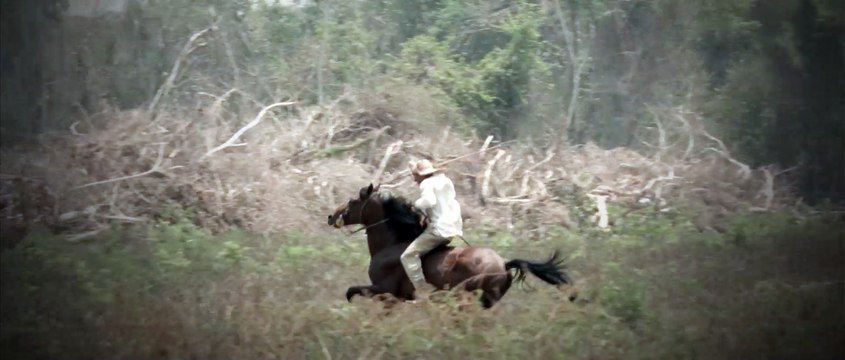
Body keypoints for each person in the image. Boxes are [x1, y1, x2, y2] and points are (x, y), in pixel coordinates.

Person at [401, 159, 464, 301]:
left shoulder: (426, 183)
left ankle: (423, 290)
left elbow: (429, 201)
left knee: (408, 256)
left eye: (415, 176)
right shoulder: (445, 181)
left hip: (439, 230)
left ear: (422, 175)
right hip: (454, 229)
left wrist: (415, 204)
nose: (414, 180)